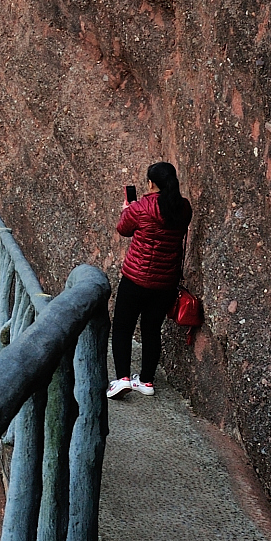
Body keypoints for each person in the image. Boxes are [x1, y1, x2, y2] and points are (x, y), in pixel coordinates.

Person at [107, 162, 193, 399]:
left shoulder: (141, 207)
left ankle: (123, 378)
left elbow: (123, 229)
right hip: (165, 283)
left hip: (135, 278)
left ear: (151, 183)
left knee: (123, 327)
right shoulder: (183, 208)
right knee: (151, 330)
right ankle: (146, 381)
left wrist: (128, 209)